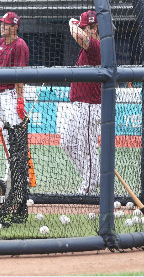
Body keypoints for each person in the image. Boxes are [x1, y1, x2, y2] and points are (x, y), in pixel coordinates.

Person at [61, 10, 101, 195]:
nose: (85, 31)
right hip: (79, 104)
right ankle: (91, 176)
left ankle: (89, 187)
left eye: (88, 28)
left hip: (90, 106)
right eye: (85, 28)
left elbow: (77, 35)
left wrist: (72, 23)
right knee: (67, 143)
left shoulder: (96, 46)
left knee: (87, 147)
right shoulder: (90, 46)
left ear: (94, 28)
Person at [0, 12, 29, 180]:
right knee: (5, 135)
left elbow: (20, 76)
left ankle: (20, 175)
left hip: (12, 94)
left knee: (15, 136)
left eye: (6, 24)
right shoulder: (0, 42)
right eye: (2, 23)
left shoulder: (20, 45)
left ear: (15, 27)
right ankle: (11, 173)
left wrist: (20, 100)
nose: (2, 26)